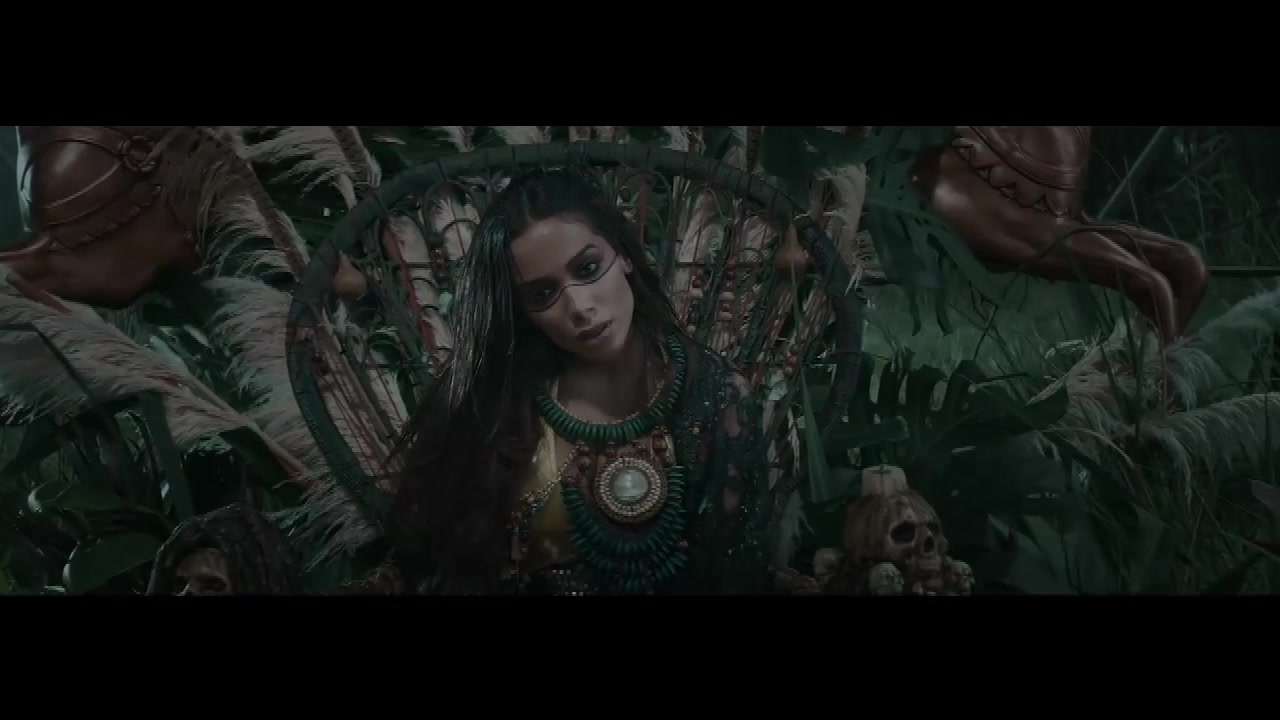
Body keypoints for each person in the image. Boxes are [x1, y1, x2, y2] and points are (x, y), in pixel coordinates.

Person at [384, 167, 774, 595]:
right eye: (543, 294)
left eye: (588, 268)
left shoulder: (715, 396)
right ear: (523, 312)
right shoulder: (497, 402)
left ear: (623, 255)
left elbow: (735, 570)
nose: (579, 307)